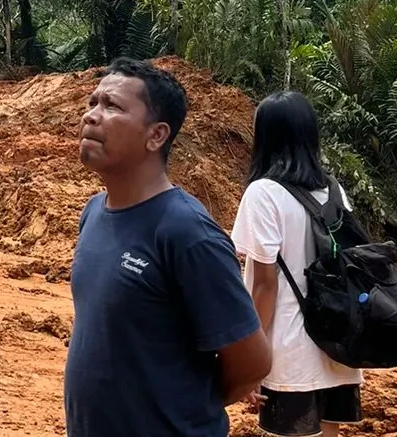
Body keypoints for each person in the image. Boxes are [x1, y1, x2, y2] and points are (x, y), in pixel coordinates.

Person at [64, 57, 272, 437]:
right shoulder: (93, 213)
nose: (92, 116)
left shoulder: (186, 233)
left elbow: (251, 363)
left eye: (112, 106)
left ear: (156, 135)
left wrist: (185, 405)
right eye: (92, 103)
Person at [231, 91, 364, 437]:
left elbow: (264, 284)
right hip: (335, 345)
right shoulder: (333, 190)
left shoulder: (263, 193)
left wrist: (251, 360)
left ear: (265, 137)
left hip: (289, 350)